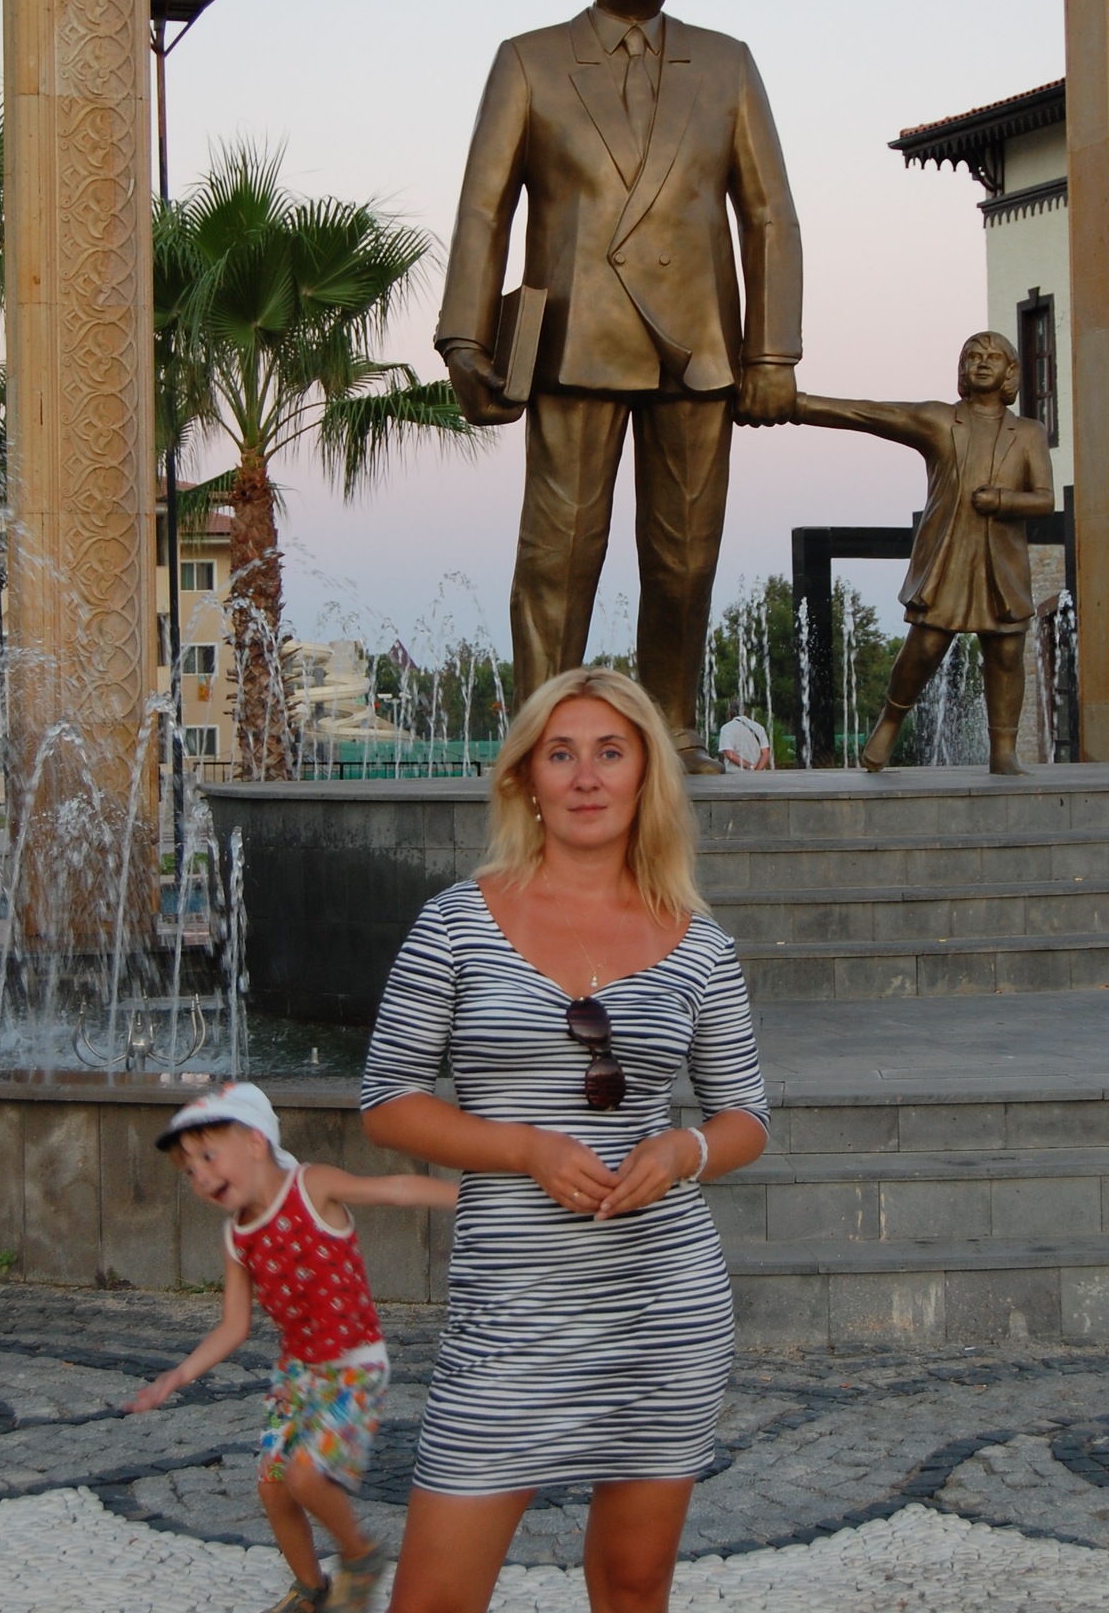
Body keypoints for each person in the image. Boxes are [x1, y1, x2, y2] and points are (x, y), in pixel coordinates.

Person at [361, 667, 769, 1613]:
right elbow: (388, 1101)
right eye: (562, 754)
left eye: (611, 753)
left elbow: (745, 1115)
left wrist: (684, 1153)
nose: (587, 777)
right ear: (527, 780)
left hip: (662, 1306)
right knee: (433, 1600)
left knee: (633, 1585)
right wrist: (525, 1150)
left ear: (645, 777)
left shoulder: (699, 941)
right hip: (512, 1309)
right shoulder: (454, 923)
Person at [435, 0, 804, 772]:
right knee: (558, 557)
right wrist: (464, 342)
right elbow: (484, 209)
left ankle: (671, 726)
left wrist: (773, 352)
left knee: (686, 559)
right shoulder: (529, 60)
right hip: (575, 340)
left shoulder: (727, 63)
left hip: (699, 345)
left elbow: (769, 213)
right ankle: (543, 732)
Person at [126, 1081, 458, 1613]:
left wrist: (476, 1201)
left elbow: (396, 1190)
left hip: (353, 1366)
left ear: (256, 1142)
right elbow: (233, 1326)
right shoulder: (236, 1236)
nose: (200, 1176)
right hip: (297, 1374)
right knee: (275, 1487)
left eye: (208, 1156)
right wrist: (178, 1376)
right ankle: (312, 1588)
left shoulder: (312, 1186)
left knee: (304, 1476)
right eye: (189, 1169)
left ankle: (360, 1555)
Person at [797, 330, 1055, 774]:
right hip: (949, 556)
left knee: (1006, 653)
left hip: (1001, 562)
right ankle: (890, 721)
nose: (981, 363)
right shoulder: (940, 420)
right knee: (925, 647)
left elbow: (1044, 500)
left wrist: (1003, 500)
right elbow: (871, 414)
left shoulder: (1029, 433)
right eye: (972, 356)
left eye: (993, 357)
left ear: (1010, 371)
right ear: (962, 369)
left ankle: (1003, 750)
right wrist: (797, 405)